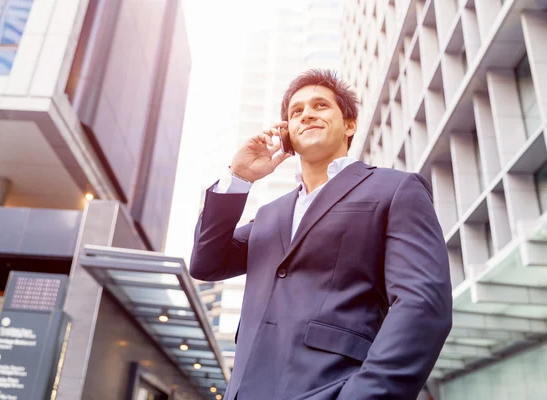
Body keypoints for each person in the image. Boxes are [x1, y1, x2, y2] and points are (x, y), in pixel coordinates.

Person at [190, 69, 452, 400]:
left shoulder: (395, 189)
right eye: (295, 112)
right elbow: (205, 263)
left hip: (332, 389)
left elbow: (422, 304)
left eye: (320, 106)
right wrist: (238, 178)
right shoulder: (271, 215)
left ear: (350, 124)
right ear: (286, 133)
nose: (307, 114)